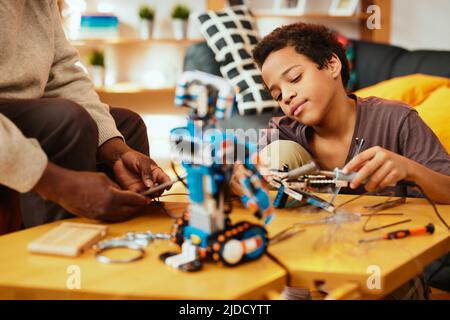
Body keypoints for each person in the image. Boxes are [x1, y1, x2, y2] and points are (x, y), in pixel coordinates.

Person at [242, 22, 450, 299]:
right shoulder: (282, 132)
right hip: (310, 272)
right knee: (276, 156)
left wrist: (410, 169)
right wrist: (239, 175)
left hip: (384, 274)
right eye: (277, 95)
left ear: (331, 65)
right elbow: (244, 178)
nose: (287, 96)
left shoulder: (396, 119)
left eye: (294, 78)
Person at [0, 0, 171, 231]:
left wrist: (116, 150)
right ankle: (57, 257)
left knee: (128, 126)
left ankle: (127, 242)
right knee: (67, 122)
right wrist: (62, 186)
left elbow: (62, 72)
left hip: (20, 109)